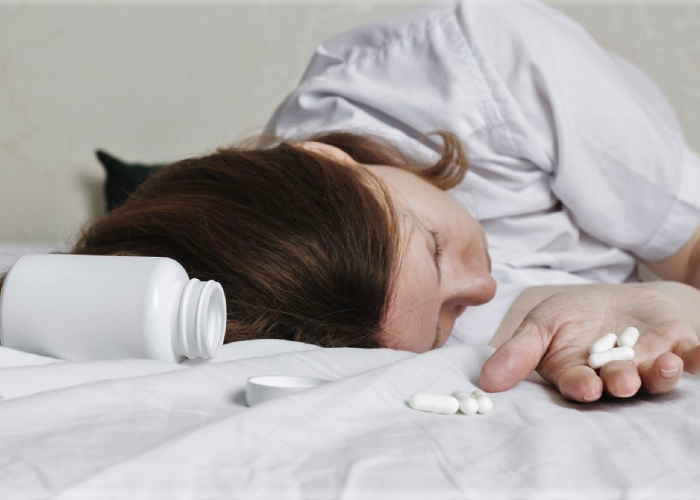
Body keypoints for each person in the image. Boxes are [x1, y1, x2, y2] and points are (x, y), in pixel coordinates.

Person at [2, 0, 699, 403]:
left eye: (433, 243)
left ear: (331, 158)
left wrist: (683, 300)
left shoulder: (494, 63)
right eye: (443, 322)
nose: (482, 287)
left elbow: (690, 250)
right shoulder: (330, 309)